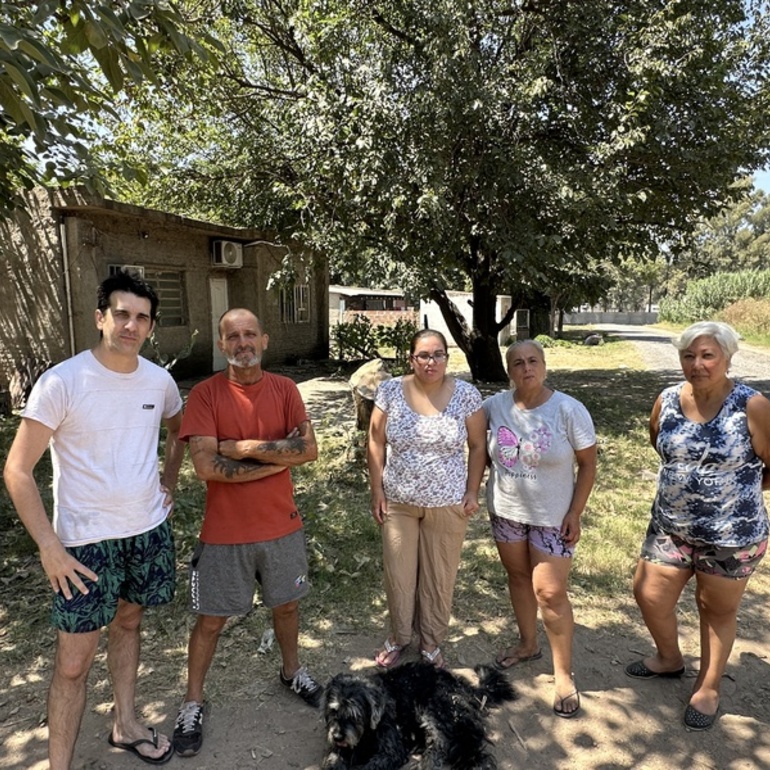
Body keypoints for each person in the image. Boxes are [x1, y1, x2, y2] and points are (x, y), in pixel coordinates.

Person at [3, 270, 185, 767]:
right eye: (121, 314)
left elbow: (179, 429)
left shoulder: (159, 381)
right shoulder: (62, 381)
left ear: (151, 327)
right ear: (100, 318)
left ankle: (126, 724)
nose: (131, 325)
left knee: (129, 625)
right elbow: (17, 470)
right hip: (83, 545)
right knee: (72, 664)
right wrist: (49, 547)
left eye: (142, 317)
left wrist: (168, 480)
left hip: (145, 532)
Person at [172, 308, 320, 758]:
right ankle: (192, 702)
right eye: (233, 336)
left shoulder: (285, 389)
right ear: (222, 344)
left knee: (287, 606)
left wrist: (241, 449)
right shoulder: (205, 395)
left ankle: (291, 672)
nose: (242, 343)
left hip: (281, 526)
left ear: (265, 340)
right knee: (211, 620)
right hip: (223, 532)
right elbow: (205, 466)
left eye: (250, 334)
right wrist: (277, 459)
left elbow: (309, 449)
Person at [625, 321, 770, 731]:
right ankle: (669, 659)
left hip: (731, 536)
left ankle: (708, 687)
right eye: (689, 355)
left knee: (715, 610)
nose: (697, 364)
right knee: (648, 594)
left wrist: (736, 491)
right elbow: (661, 446)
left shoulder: (752, 405)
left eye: (708, 355)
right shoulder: (667, 399)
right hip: (671, 527)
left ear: (727, 358)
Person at [484, 339, 596, 719]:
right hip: (507, 511)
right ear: (509, 371)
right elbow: (477, 447)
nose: (526, 368)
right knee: (518, 577)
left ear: (545, 366)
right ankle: (528, 644)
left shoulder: (568, 409)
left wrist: (575, 512)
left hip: (554, 516)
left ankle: (563, 675)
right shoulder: (494, 406)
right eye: (517, 363)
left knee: (549, 592)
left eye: (533, 360)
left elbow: (588, 464)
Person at [367, 329, 486, 670]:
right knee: (399, 574)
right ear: (411, 359)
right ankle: (400, 636)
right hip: (398, 502)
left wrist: (472, 490)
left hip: (447, 503)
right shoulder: (390, 391)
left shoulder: (466, 395)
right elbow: (375, 441)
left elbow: (478, 445)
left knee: (439, 576)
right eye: (423, 355)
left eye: (438, 355)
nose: (431, 362)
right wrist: (377, 490)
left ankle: (431, 640)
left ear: (447, 358)